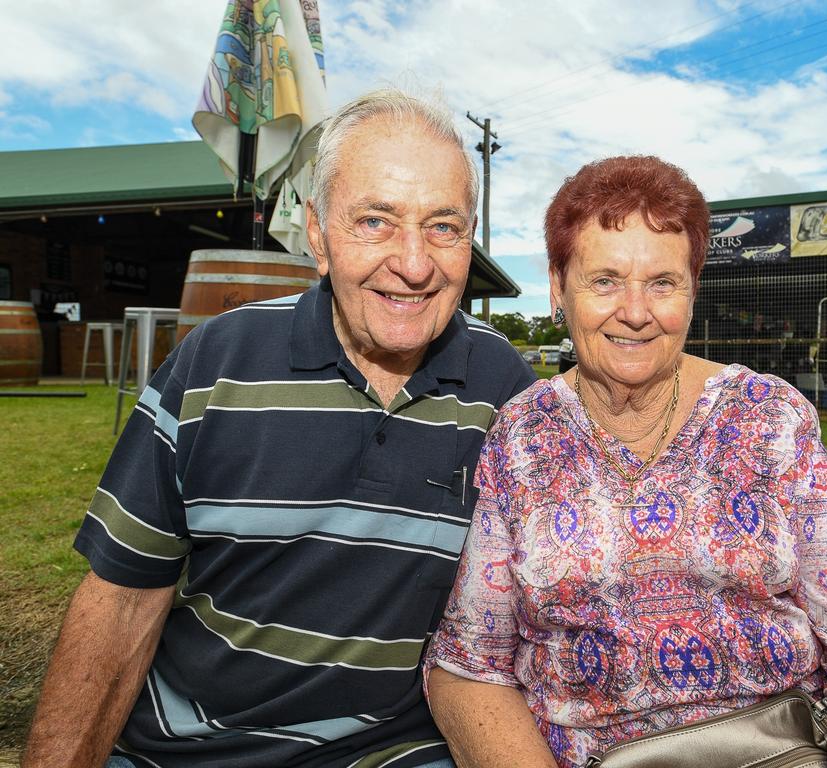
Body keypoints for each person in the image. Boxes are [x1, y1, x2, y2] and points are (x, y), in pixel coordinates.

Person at [22, 90, 535, 768]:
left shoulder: (506, 392)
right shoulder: (215, 363)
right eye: (376, 221)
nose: (414, 264)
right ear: (317, 235)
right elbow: (121, 600)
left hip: (393, 752)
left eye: (443, 227)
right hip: (185, 753)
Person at [424, 156, 827, 768]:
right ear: (557, 286)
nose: (636, 311)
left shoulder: (770, 418)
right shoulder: (523, 435)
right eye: (605, 280)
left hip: (771, 750)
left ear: (693, 288)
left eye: (662, 283)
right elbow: (470, 661)